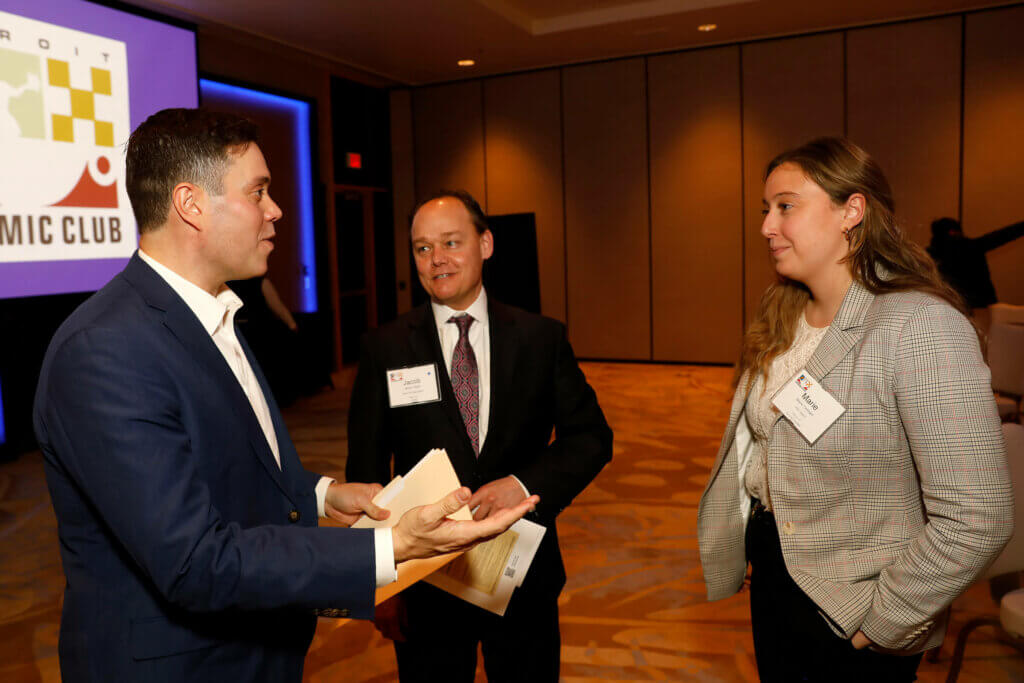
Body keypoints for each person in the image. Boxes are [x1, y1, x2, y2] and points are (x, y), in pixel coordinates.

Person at [32, 109, 537, 683]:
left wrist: (318, 495)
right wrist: (391, 546)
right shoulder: (105, 351)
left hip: (250, 648)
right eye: (258, 192)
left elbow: (218, 459)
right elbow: (194, 562)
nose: (275, 210)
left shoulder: (213, 316)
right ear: (191, 205)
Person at [697, 137, 1013, 682]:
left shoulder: (918, 326)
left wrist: (885, 622)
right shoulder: (783, 314)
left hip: (857, 608)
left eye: (786, 206)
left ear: (852, 210)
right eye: (766, 210)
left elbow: (977, 517)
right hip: (777, 567)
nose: (767, 226)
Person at [346, 190, 613, 682]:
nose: (437, 259)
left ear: (485, 244)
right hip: (425, 579)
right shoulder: (385, 347)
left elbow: (591, 437)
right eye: (423, 248)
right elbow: (366, 471)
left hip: (520, 573)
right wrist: (380, 582)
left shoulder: (540, 338)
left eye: (451, 242)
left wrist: (522, 484)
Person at [927, 216, 1024, 311]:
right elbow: (1003, 235)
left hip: (950, 306)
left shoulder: (930, 255)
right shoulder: (973, 246)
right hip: (982, 306)